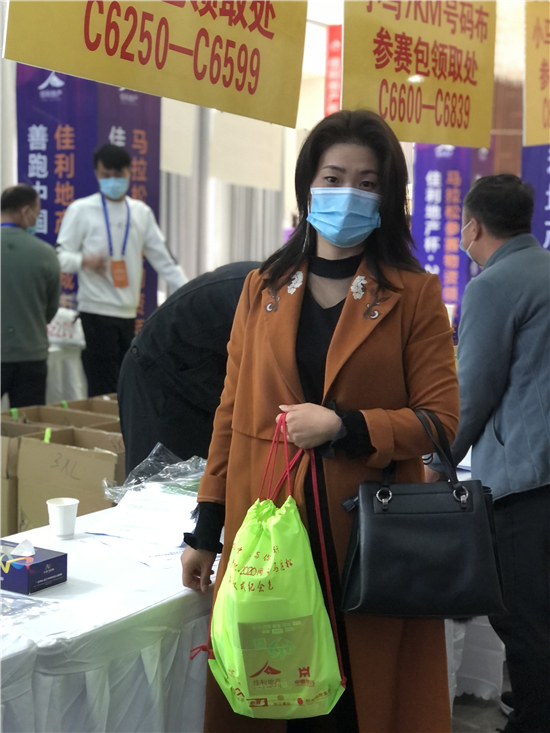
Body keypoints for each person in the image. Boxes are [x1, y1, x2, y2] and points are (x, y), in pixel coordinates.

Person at [180, 110, 460, 733]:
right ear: (308, 185)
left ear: (388, 197)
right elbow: (230, 413)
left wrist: (346, 426)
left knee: (355, 704)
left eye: (367, 182)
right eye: (334, 178)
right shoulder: (263, 287)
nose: (348, 193)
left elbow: (441, 422)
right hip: (268, 529)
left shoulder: (413, 294)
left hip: (366, 540)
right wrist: (205, 528)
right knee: (269, 690)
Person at [426, 174, 550, 733]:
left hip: (524, 482)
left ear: (472, 227)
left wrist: (438, 460)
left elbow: (472, 393)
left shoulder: (492, 285)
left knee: (524, 622)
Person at [56, 144, 186, 397]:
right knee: (101, 387)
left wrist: (191, 291)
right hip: (94, 310)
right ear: (96, 174)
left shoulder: (140, 213)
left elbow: (164, 261)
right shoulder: (81, 210)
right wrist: (84, 261)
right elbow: (60, 257)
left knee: (127, 384)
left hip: (128, 312)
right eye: (106, 175)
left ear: (129, 172)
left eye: (118, 174)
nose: (112, 181)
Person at [118, 261, 260, 474]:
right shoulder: (270, 297)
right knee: (158, 483)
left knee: (206, 478)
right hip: (158, 374)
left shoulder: (290, 293)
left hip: (203, 381)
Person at [1, 184, 60, 407]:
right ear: (25, 211)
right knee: (28, 422)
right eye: (37, 212)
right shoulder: (46, 254)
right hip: (31, 353)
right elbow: (50, 310)